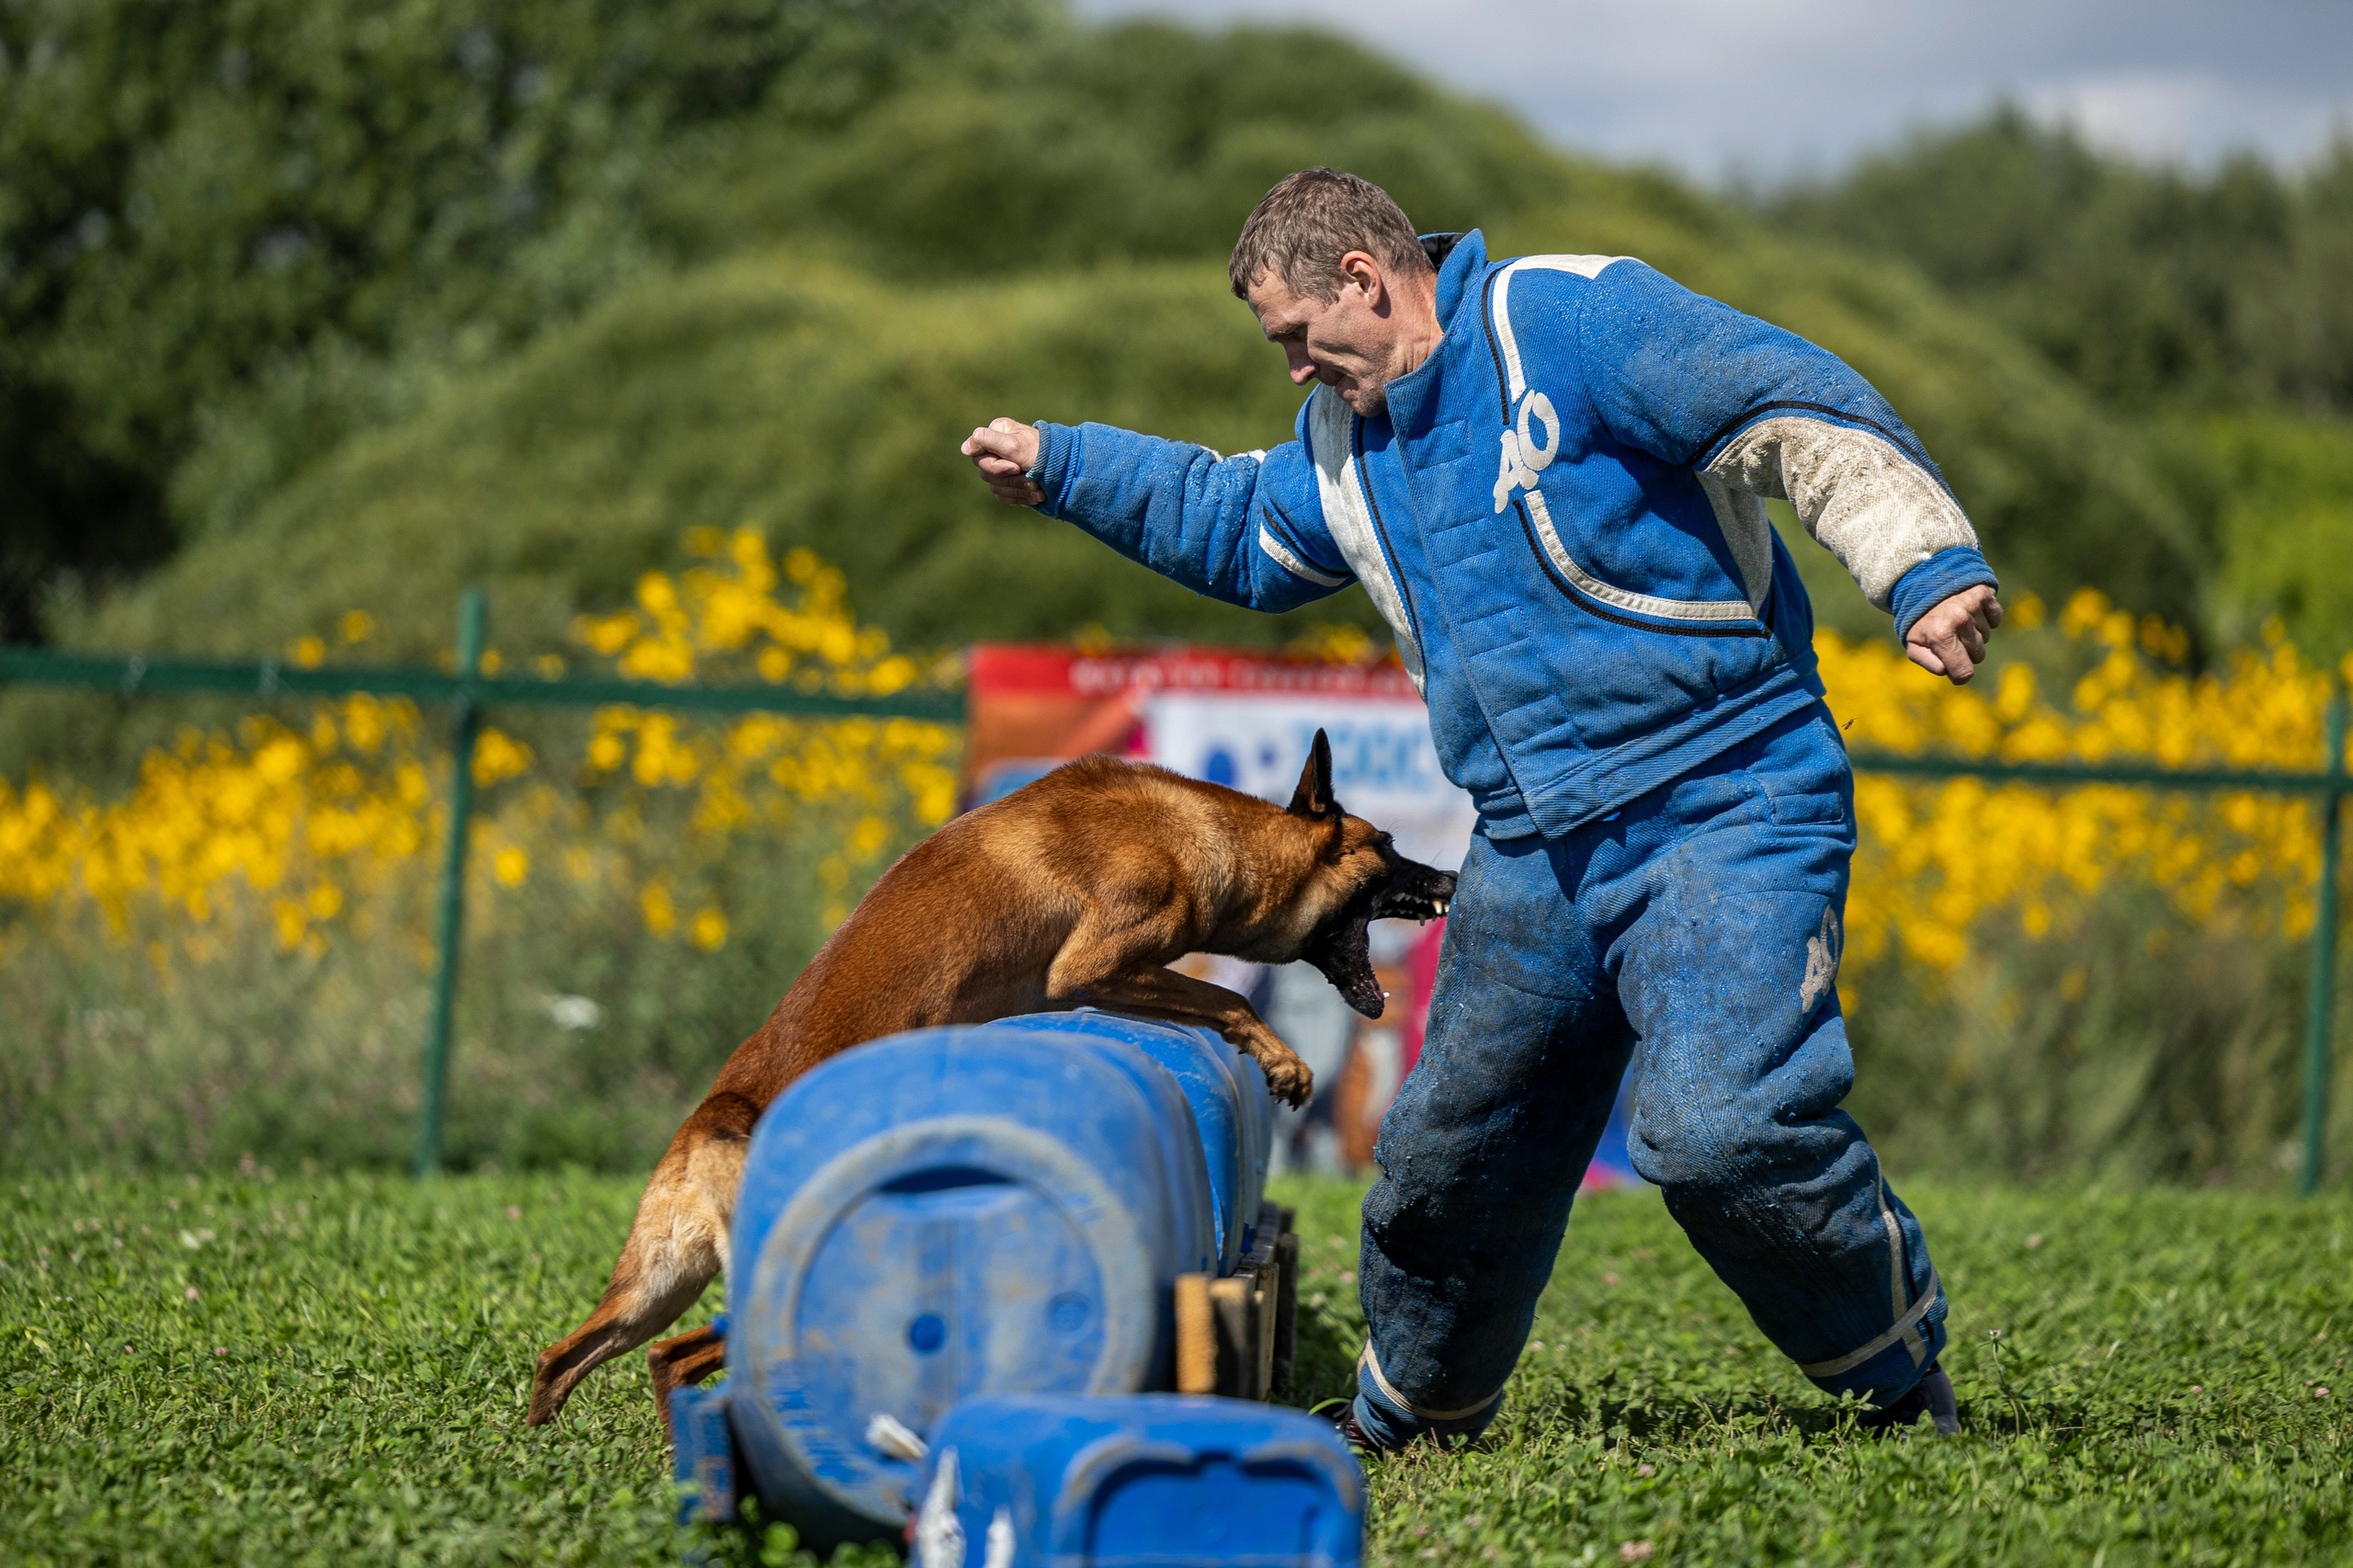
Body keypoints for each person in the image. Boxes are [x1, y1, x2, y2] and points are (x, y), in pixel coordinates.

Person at [961, 168, 1995, 1447]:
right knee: (1450, 1162)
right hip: (1532, 846)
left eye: (1294, 335)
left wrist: (1924, 568)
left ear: (1364, 278)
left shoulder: (1571, 320)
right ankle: (1421, 1407)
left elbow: (1791, 402)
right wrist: (1064, 464)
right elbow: (1234, 524)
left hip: (1730, 799)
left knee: (1724, 1133)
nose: (1291, 369)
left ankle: (1899, 1378)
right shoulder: (1348, 447)